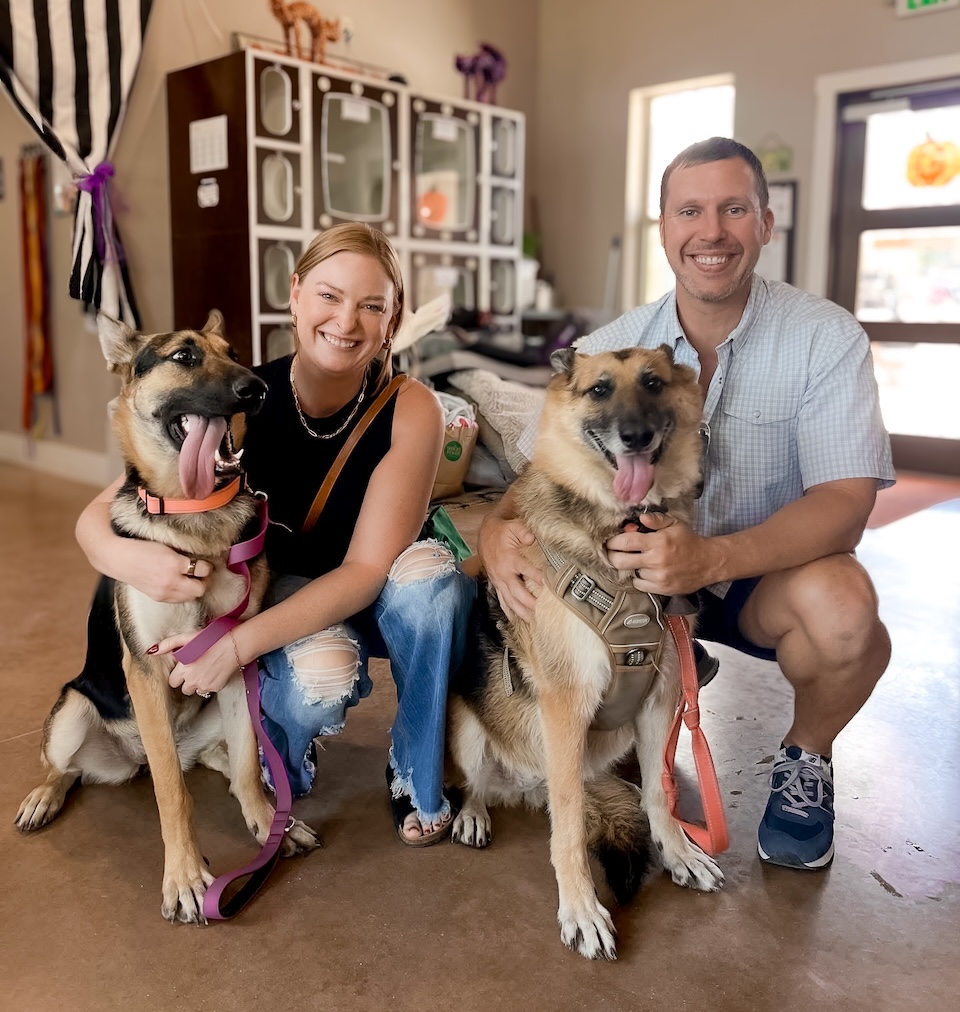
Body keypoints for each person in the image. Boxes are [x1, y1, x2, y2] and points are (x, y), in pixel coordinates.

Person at [479, 137, 895, 870]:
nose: (712, 231)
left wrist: (710, 557)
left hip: (764, 576)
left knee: (848, 613)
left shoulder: (825, 340)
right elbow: (535, 485)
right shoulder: (606, 351)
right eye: (691, 211)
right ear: (664, 227)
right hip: (638, 593)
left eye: (734, 209)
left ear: (765, 223)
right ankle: (666, 659)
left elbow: (846, 503)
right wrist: (493, 539)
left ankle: (806, 758)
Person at [76, 222, 476, 846]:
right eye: (329, 295)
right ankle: (280, 752)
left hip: (384, 590)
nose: (347, 320)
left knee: (437, 586)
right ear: (294, 295)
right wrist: (119, 554)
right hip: (288, 592)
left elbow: (368, 571)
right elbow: (114, 505)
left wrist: (233, 649)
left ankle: (414, 766)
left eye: (373, 306)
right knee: (321, 672)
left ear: (392, 320)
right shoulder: (238, 394)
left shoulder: (412, 405)